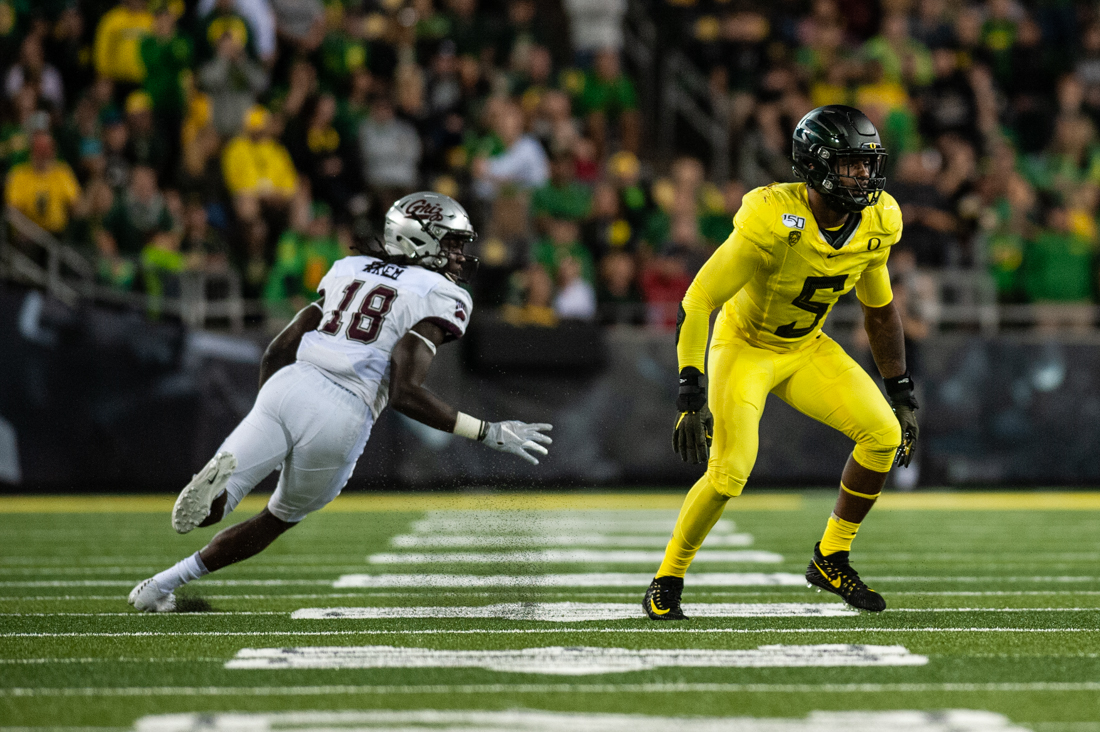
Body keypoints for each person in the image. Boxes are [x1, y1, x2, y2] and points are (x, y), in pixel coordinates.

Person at [129, 193, 553, 612]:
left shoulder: (348, 268)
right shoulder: (441, 293)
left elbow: (280, 347)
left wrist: (269, 409)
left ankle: (206, 502)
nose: (460, 254)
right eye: (451, 243)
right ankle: (163, 584)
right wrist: (487, 432)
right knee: (279, 517)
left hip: (290, 383)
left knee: (217, 507)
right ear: (419, 239)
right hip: (344, 408)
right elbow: (405, 392)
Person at [643, 105, 919, 620]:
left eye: (867, 163)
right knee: (728, 475)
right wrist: (689, 390)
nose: (863, 175)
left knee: (882, 435)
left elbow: (880, 312)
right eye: (850, 164)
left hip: (805, 346)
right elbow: (699, 300)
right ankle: (667, 578)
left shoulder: (879, 220)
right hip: (745, 346)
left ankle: (831, 556)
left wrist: (900, 391)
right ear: (815, 165)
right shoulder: (772, 217)